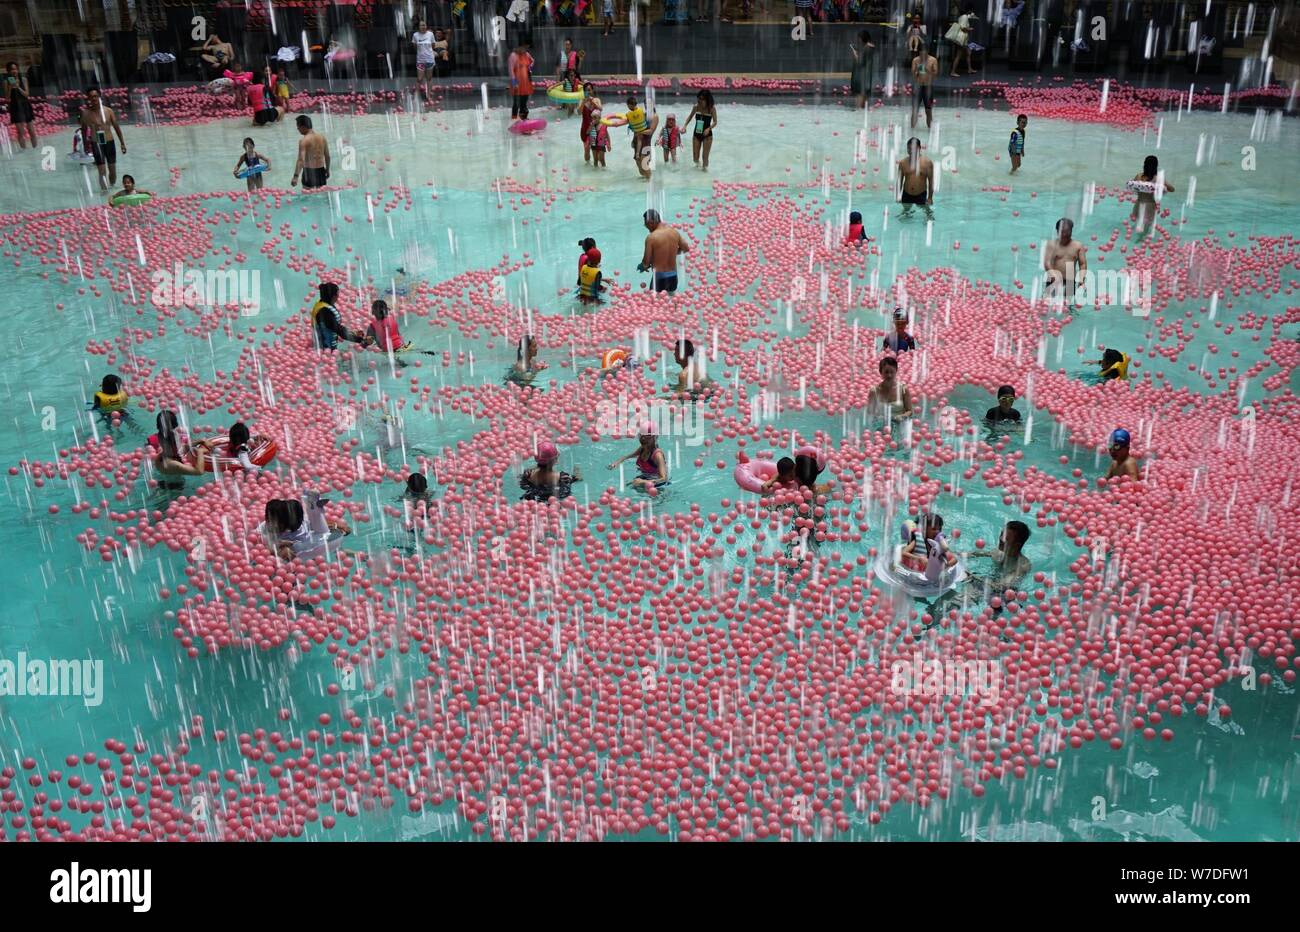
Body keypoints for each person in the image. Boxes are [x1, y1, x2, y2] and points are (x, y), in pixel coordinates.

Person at [263, 494, 350, 562]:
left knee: (327, 539)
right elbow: (264, 546)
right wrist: (280, 545)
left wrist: (336, 525)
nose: (271, 524)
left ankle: (314, 508)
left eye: (275, 522)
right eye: (268, 519)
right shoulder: (265, 529)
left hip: (309, 545)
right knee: (286, 554)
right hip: (298, 551)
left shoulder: (302, 524)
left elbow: (317, 525)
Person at [80, 86, 126, 192]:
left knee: (112, 170)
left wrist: (122, 143)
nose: (94, 99)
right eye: (91, 97)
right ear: (88, 98)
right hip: (96, 143)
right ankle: (104, 192)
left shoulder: (108, 111)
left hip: (109, 142)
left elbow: (116, 127)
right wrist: (86, 146)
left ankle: (112, 188)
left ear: (99, 97)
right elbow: (83, 130)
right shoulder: (85, 113)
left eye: (96, 96)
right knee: (101, 171)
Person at [966, 520, 1031, 588]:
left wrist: (971, 577)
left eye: (1006, 538)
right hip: (988, 582)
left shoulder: (1023, 566)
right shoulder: (998, 552)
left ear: (1017, 545)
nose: (1000, 539)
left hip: (1004, 593)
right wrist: (958, 555)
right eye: (1001, 534)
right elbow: (975, 554)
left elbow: (1001, 586)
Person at [639, 209, 689, 294]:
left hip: (659, 278)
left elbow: (646, 263)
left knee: (655, 304)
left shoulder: (651, 238)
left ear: (651, 222)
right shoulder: (674, 232)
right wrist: (671, 253)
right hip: (673, 277)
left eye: (646, 224)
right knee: (671, 301)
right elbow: (685, 248)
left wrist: (642, 267)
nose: (646, 227)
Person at [311, 282, 369, 351]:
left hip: (328, 346)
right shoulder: (324, 311)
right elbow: (339, 330)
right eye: (337, 294)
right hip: (325, 349)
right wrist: (361, 340)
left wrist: (353, 332)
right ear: (333, 296)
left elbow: (337, 327)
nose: (338, 296)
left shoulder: (324, 303)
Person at [1043, 217, 1087, 304]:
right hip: (1053, 280)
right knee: (1047, 305)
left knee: (1067, 306)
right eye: (1062, 232)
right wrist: (1054, 276)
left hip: (1070, 282)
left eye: (1067, 232)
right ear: (1057, 231)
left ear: (1071, 230)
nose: (1065, 234)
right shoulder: (1051, 245)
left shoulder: (1078, 246)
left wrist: (1081, 280)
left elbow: (1082, 264)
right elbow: (1047, 263)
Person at [149, 410, 205, 476]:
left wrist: (200, 441)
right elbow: (199, 472)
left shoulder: (159, 454)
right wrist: (200, 452)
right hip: (177, 486)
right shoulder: (173, 464)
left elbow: (181, 449)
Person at [1130, 155, 1174, 235]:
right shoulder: (1158, 179)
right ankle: (1141, 239)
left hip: (1139, 203)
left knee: (1138, 222)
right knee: (1146, 226)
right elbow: (1172, 189)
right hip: (1150, 206)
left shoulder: (1139, 176)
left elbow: (1133, 186)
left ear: (1144, 165)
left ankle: (1135, 235)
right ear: (1155, 166)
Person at [195, 421, 262, 472]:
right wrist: (259, 468)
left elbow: (247, 466)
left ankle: (202, 441)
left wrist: (257, 436)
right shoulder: (243, 449)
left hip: (225, 455)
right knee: (215, 449)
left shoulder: (238, 446)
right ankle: (203, 441)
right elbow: (247, 466)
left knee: (215, 449)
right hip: (229, 458)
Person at [897, 137, 934, 218]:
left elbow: (931, 182)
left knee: (927, 214)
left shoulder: (927, 163)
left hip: (920, 194)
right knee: (905, 215)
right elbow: (899, 181)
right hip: (906, 194)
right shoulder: (902, 163)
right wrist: (898, 195)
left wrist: (930, 198)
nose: (911, 151)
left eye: (913, 149)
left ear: (919, 148)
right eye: (909, 149)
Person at [291, 115, 331, 190]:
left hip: (309, 173)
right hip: (321, 172)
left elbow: (301, 160)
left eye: (298, 127)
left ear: (303, 127)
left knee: (308, 196)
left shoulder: (304, 141)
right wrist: (327, 170)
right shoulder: (322, 137)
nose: (297, 129)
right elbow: (327, 156)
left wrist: (295, 177)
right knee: (322, 195)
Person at [4, 62, 37, 149]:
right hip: (15, 107)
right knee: (20, 132)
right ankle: (24, 151)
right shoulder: (6, 82)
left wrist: (18, 87)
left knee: (31, 131)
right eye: (11, 69)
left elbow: (26, 94)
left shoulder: (24, 79)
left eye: (15, 69)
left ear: (18, 70)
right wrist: (11, 87)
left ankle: (36, 149)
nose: (14, 71)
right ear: (8, 71)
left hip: (25, 105)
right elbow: (7, 98)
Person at [683, 89, 717, 171]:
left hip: (707, 135)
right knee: (695, 158)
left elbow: (715, 122)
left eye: (702, 99)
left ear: (707, 99)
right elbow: (690, 117)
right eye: (699, 98)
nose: (700, 101)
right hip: (696, 134)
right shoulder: (696, 107)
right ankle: (697, 170)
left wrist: (709, 129)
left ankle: (704, 172)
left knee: (705, 157)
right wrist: (685, 126)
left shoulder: (712, 109)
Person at [909, 42, 938, 130]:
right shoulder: (915, 60)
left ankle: (930, 130)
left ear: (927, 52)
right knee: (915, 110)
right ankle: (912, 130)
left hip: (928, 87)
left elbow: (935, 75)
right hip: (918, 87)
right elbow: (913, 75)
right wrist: (916, 70)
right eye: (921, 54)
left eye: (924, 54)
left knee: (928, 110)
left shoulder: (933, 60)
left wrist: (926, 69)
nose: (923, 57)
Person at [947, 8, 977, 76]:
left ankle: (969, 69)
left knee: (968, 53)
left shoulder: (961, 17)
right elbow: (963, 28)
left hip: (963, 38)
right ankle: (953, 72)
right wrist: (970, 29)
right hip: (962, 38)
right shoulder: (965, 17)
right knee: (958, 55)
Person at [849, 30, 876, 109]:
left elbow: (861, 62)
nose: (858, 40)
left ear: (862, 38)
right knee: (864, 101)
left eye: (859, 38)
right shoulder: (870, 47)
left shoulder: (867, 48)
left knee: (859, 101)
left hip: (862, 77)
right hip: (866, 76)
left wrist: (855, 55)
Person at [509, 42, 534, 123]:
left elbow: (532, 60)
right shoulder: (513, 56)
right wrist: (514, 83)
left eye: (527, 48)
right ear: (519, 46)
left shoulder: (526, 54)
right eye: (524, 47)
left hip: (526, 83)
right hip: (517, 83)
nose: (525, 49)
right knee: (516, 102)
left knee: (524, 101)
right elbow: (511, 70)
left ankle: (523, 119)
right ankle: (513, 119)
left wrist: (529, 68)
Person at [413, 20, 437, 103]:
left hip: (430, 59)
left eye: (424, 25)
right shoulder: (415, 35)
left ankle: (428, 95)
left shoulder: (430, 34)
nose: (423, 27)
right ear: (418, 27)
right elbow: (415, 47)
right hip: (420, 60)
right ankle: (416, 96)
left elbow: (433, 45)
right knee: (419, 79)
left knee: (429, 78)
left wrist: (428, 52)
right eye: (421, 25)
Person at [579, 84, 601, 162]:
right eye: (586, 90)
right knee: (586, 149)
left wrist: (593, 102)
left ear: (592, 90)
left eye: (589, 90)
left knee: (595, 151)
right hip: (585, 128)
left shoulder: (597, 100)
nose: (588, 92)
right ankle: (587, 167)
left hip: (595, 128)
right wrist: (583, 102)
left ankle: (596, 168)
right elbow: (578, 112)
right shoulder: (582, 100)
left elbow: (601, 109)